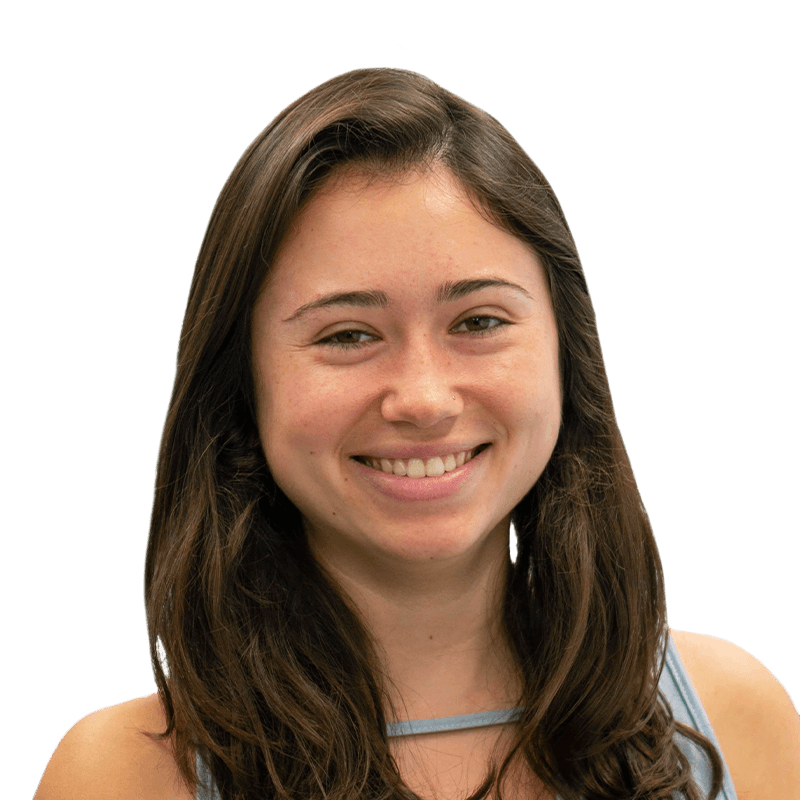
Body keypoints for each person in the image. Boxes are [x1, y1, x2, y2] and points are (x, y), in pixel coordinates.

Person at [32, 67, 800, 800]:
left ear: (567, 352)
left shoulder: (732, 716)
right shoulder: (122, 775)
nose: (425, 399)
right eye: (346, 335)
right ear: (242, 384)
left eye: (479, 321)